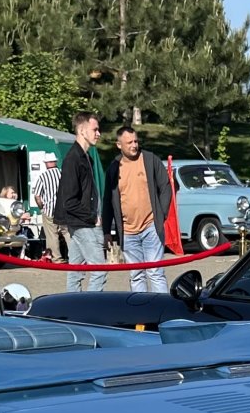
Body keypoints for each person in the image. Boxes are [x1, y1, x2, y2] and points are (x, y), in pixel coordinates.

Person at [103, 126, 172, 292]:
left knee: (156, 272)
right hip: (127, 232)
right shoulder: (113, 167)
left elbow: (165, 187)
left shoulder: (149, 159)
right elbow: (107, 201)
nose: (134, 145)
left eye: (136, 141)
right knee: (136, 274)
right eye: (129, 142)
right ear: (119, 145)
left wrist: (161, 215)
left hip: (151, 227)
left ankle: (162, 310)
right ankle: (142, 314)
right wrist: (106, 231)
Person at [53, 112, 106, 292]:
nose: (98, 133)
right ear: (82, 131)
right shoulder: (73, 159)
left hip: (82, 222)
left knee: (75, 271)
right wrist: (92, 217)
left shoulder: (87, 158)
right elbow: (69, 201)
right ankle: (89, 310)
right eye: (95, 129)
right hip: (82, 223)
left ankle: (72, 308)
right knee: (100, 269)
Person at [30, 155, 64, 261]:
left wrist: (41, 207)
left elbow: (37, 196)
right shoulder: (62, 174)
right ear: (55, 162)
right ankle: (74, 258)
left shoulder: (43, 176)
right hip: (64, 209)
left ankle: (57, 258)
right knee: (67, 233)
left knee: (52, 234)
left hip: (49, 209)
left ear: (47, 163)